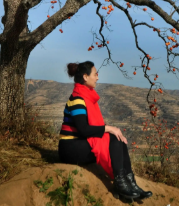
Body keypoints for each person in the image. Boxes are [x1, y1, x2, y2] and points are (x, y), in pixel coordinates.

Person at [58, 61, 152, 201]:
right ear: (85, 77)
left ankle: (130, 183)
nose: (97, 77)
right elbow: (84, 130)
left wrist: (113, 131)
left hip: (80, 144)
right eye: (95, 74)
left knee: (118, 138)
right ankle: (120, 184)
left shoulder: (87, 98)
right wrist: (108, 128)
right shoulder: (77, 99)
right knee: (112, 137)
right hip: (70, 149)